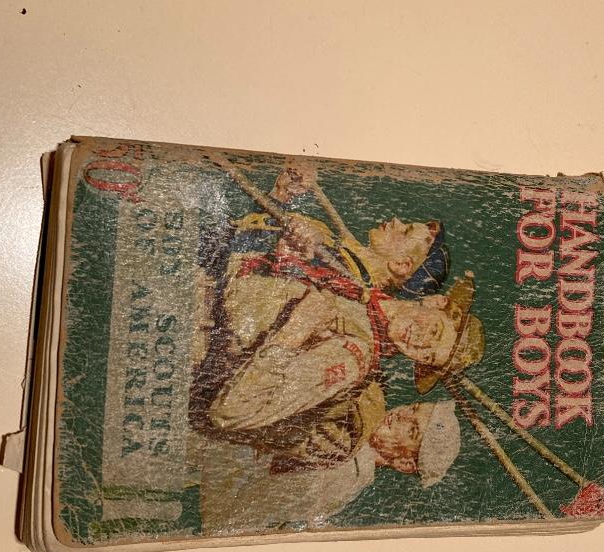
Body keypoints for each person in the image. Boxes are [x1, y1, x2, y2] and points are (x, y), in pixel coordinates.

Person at [198, 269, 484, 470]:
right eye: (434, 331)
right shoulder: (364, 288)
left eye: (427, 355)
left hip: (195, 330)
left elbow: (231, 411)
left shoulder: (353, 357)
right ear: (436, 302)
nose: (419, 342)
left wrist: (294, 333)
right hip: (207, 279)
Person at [196, 399, 462, 535]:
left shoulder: (346, 473)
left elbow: (244, 502)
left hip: (207, 474)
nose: (401, 414)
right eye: (414, 408)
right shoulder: (354, 437)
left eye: (412, 429)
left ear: (404, 464)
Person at [229, 162, 451, 298]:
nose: (395, 221)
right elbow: (257, 228)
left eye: (405, 231)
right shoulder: (347, 257)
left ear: (400, 265)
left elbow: (258, 276)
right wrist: (282, 192)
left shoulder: (346, 282)